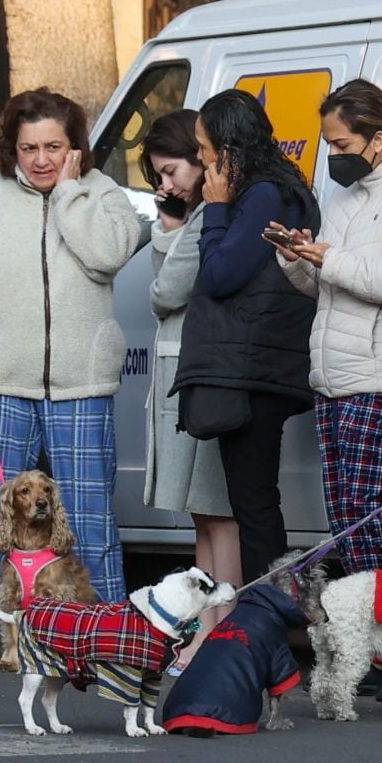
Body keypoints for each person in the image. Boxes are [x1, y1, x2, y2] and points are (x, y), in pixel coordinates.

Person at [0, 88, 141, 665]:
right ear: (10, 148)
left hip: (82, 386)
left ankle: (104, 629)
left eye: (53, 147)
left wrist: (71, 194)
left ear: (75, 149)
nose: (41, 159)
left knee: (90, 517)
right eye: (28, 148)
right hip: (2, 384)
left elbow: (109, 254)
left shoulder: (102, 196)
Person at [276, 80, 382, 576]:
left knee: (370, 517)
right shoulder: (348, 195)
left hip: (380, 377)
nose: (333, 155)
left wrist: (333, 260)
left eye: (341, 145)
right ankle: (364, 633)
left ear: (377, 138)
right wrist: (299, 259)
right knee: (345, 515)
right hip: (333, 379)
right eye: (328, 145)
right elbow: (330, 284)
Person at [171, 89, 321, 583]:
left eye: (204, 146)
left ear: (228, 147)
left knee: (254, 506)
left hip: (252, 369)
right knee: (256, 502)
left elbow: (220, 274)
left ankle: (267, 623)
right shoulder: (280, 187)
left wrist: (214, 210)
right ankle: (269, 617)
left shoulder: (261, 194)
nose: (200, 157)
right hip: (261, 365)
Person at [141, 109, 240, 654]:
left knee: (218, 514)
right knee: (203, 514)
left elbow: (165, 292)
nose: (167, 185)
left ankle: (220, 628)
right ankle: (205, 624)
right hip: (186, 369)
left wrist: (170, 230)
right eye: (158, 175)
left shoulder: (208, 220)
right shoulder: (200, 218)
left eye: (173, 169)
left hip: (200, 372)